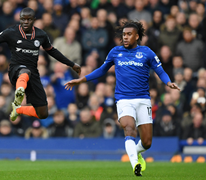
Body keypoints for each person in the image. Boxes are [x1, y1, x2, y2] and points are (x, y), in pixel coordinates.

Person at [65, 20, 180, 176]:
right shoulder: (115, 52)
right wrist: (81, 80)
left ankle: (138, 153)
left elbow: (160, 71)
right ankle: (134, 164)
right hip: (123, 99)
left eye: (129, 34)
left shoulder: (147, 52)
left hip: (143, 100)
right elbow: (101, 70)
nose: (125, 37)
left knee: (146, 143)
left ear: (137, 36)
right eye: (123, 34)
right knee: (129, 128)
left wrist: (168, 82)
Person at [0, 7, 81, 121]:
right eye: (23, 19)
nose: (26, 22)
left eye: (29, 19)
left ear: (34, 20)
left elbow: (53, 51)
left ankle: (17, 109)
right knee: (25, 71)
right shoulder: (11, 32)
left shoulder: (41, 35)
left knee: (43, 113)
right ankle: (19, 94)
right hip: (16, 70)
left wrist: (71, 64)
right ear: (20, 19)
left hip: (33, 73)